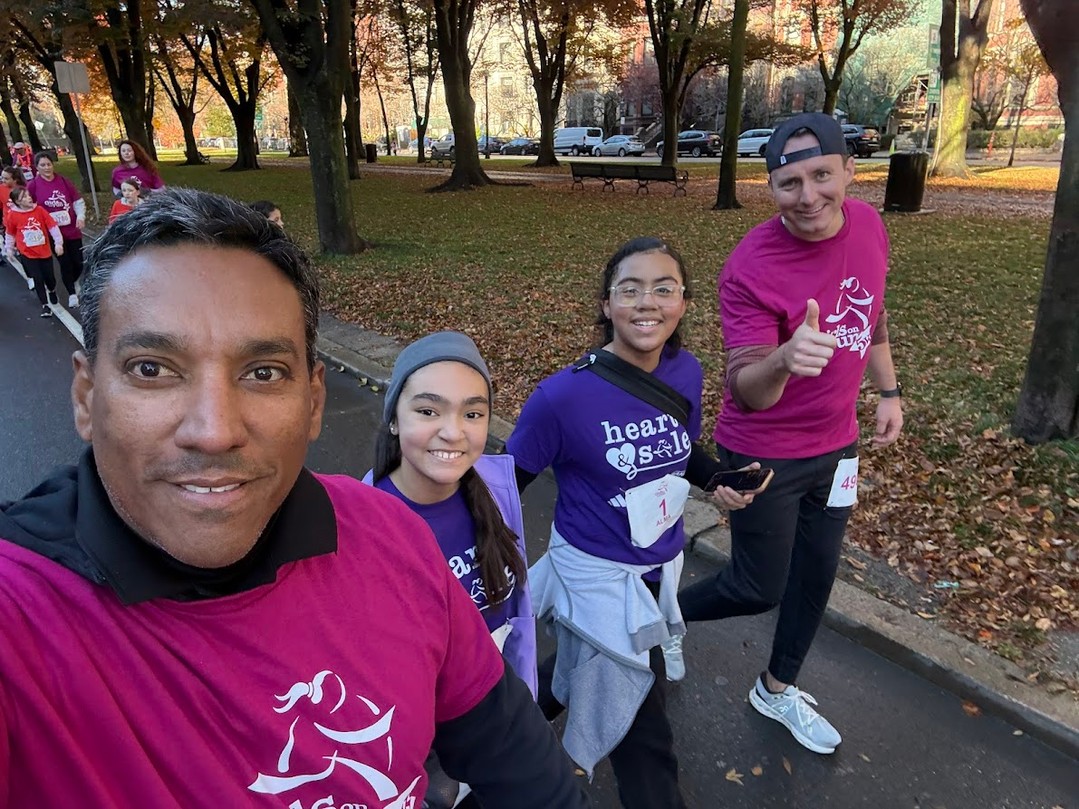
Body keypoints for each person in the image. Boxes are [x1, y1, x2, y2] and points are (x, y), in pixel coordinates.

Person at [0, 188, 591, 809]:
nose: (214, 431)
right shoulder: (23, 620)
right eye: (152, 368)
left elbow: (527, 772)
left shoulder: (389, 534)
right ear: (86, 396)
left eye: (263, 373)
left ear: (313, 402)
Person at [677, 112, 904, 756]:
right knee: (757, 587)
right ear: (770, 187)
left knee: (816, 573)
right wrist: (784, 358)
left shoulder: (870, 225)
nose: (808, 197)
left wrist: (888, 391)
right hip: (764, 453)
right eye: (789, 183)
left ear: (849, 171)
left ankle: (776, 689)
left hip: (838, 448)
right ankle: (657, 614)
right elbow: (747, 386)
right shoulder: (750, 266)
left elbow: (873, 312)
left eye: (821, 176)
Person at [505, 236, 752, 809]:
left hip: (657, 572)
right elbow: (503, 490)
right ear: (607, 304)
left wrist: (718, 478)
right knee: (645, 735)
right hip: (596, 580)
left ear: (683, 303)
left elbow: (679, 449)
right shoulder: (562, 398)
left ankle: (501, 723)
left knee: (584, 667)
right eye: (630, 289)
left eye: (664, 289)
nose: (647, 303)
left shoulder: (685, 372)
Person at [367, 330, 536, 809]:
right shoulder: (363, 524)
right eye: (428, 411)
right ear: (394, 418)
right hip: (423, 743)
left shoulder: (496, 491)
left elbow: (515, 612)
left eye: (473, 413)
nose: (453, 432)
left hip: (496, 709)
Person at [27, 151, 85, 308]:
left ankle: (74, 280)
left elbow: (77, 200)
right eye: (42, 165)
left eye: (49, 164)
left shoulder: (64, 181)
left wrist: (80, 216)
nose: (46, 168)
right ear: (37, 167)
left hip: (72, 229)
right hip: (53, 233)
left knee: (79, 262)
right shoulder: (33, 185)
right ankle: (72, 293)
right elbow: (28, 205)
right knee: (65, 263)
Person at [3, 185, 63, 317]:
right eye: (24, 197)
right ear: (18, 202)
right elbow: (10, 233)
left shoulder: (40, 210)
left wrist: (58, 243)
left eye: (28, 195)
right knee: (38, 278)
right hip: (27, 253)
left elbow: (52, 226)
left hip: (44, 252)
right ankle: (45, 305)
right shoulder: (13, 215)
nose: (29, 198)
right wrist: (9, 248)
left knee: (49, 277)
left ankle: (52, 290)